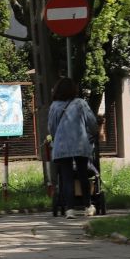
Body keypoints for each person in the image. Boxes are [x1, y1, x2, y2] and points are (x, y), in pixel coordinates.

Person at [44, 78, 100, 218]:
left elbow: (51, 127)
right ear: (73, 90)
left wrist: (56, 137)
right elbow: (92, 122)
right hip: (80, 144)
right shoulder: (81, 103)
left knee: (66, 177)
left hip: (62, 146)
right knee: (82, 175)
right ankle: (88, 206)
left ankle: (70, 210)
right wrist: (93, 134)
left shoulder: (54, 106)